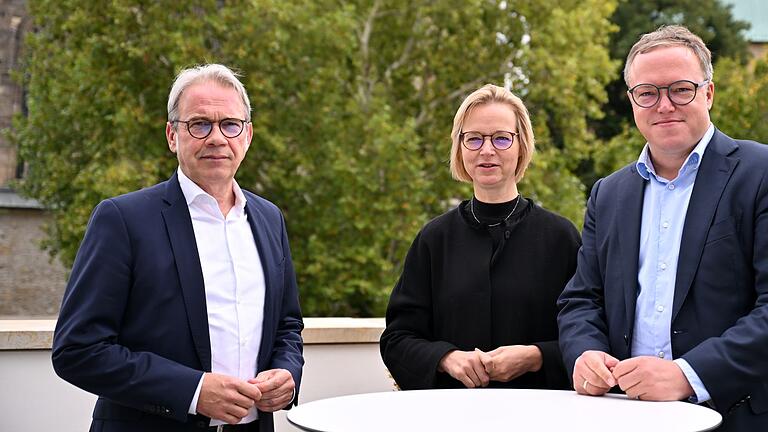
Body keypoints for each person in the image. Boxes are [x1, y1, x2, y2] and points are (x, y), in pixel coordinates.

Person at [52, 64, 304, 432]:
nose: (217, 137)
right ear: (172, 135)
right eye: (199, 124)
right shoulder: (122, 219)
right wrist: (193, 391)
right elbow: (77, 350)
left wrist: (287, 371)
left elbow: (287, 324)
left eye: (230, 124)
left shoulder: (269, 218)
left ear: (247, 135)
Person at [557, 25, 768, 431]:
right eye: (648, 93)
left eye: (680, 89)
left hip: (733, 416)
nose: (664, 105)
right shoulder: (609, 193)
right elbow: (581, 299)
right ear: (632, 101)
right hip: (623, 415)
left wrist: (688, 374)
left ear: (708, 93)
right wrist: (584, 353)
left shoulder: (759, 175)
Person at [380, 84, 580, 390]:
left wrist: (536, 356)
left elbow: (587, 333)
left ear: (521, 146)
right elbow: (397, 339)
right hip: (451, 416)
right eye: (474, 139)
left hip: (539, 415)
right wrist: (446, 358)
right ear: (460, 148)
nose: (487, 150)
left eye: (501, 138)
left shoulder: (560, 238)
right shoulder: (434, 240)